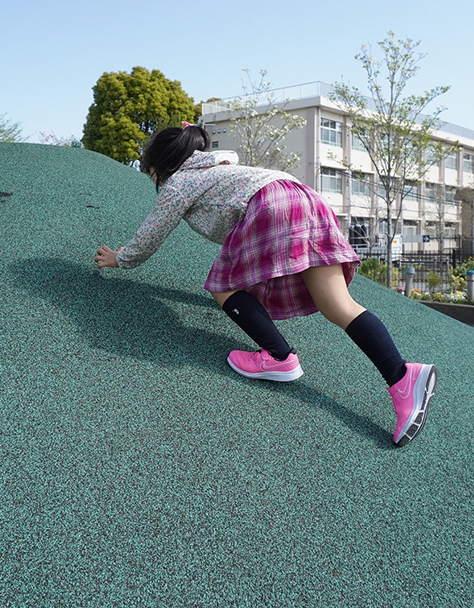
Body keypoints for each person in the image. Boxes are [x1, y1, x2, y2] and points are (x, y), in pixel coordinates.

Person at [95, 124, 437, 447]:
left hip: (271, 207)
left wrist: (121, 258)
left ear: (162, 166)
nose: (152, 179)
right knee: (338, 305)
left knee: (223, 285)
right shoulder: (221, 168)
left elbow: (153, 231)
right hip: (306, 199)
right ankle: (402, 376)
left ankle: (279, 357)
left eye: (150, 172)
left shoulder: (178, 184)